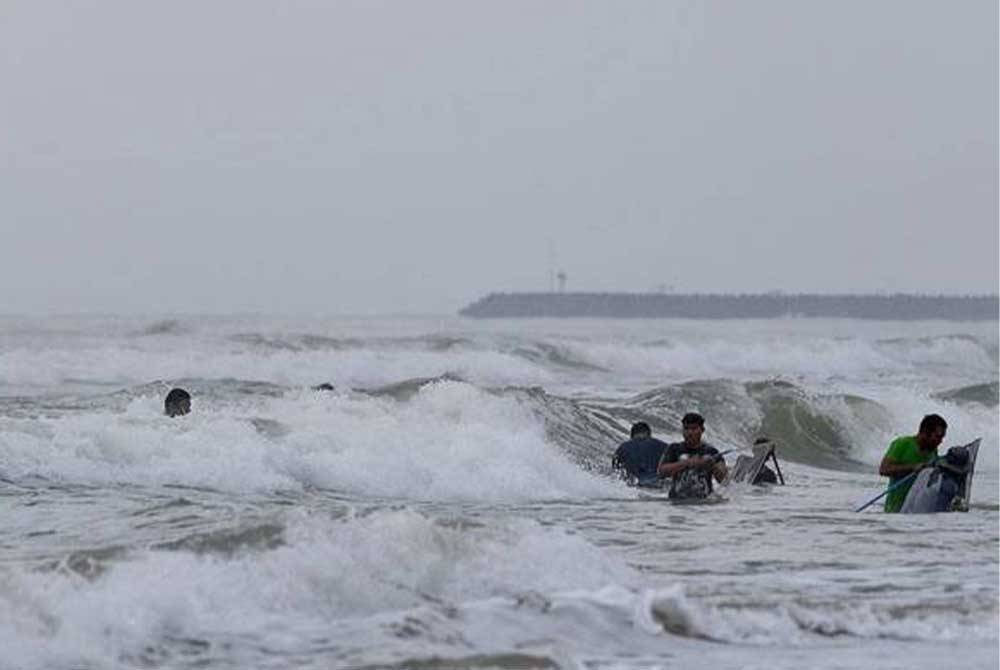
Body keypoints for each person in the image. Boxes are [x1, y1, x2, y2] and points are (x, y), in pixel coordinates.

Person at [879, 414, 947, 513]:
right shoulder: (902, 444)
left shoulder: (933, 451)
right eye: (938, 437)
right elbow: (883, 469)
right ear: (925, 432)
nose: (941, 441)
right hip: (895, 511)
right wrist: (912, 467)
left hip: (916, 511)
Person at [657, 412, 729, 499]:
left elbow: (724, 481)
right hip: (676, 503)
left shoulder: (711, 452)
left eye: (694, 429)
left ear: (702, 430)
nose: (690, 433)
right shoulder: (674, 448)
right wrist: (687, 463)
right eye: (686, 429)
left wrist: (713, 466)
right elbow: (661, 472)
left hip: (704, 502)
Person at [612, 422, 670, 487]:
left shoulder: (623, 448)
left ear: (632, 436)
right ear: (649, 434)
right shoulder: (665, 446)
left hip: (636, 488)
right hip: (660, 485)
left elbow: (616, 470)